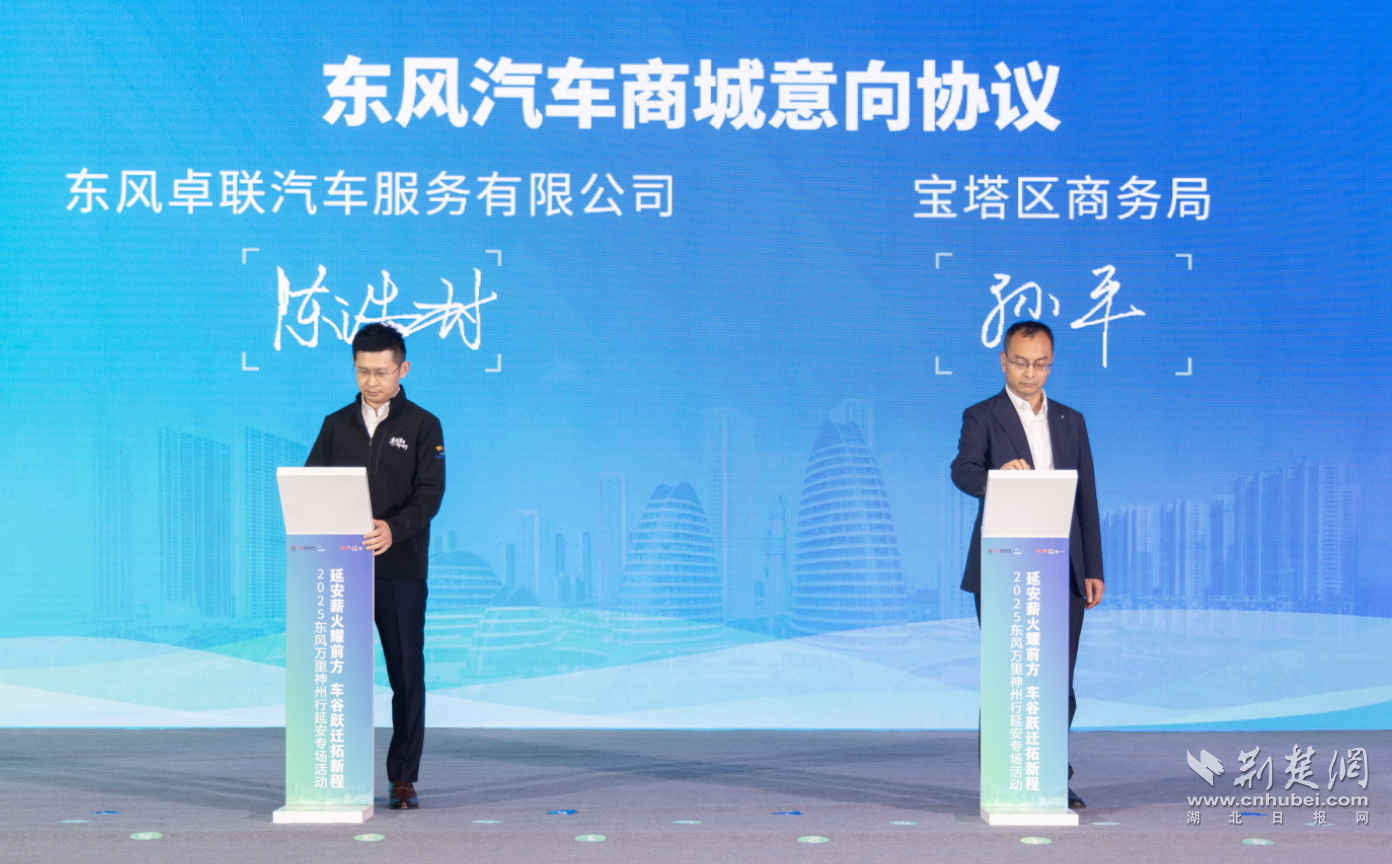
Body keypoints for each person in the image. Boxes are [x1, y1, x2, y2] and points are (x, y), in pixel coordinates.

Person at [950, 320, 1104, 810]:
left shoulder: (1071, 420)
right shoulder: (982, 415)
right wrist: (998, 476)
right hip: (1004, 567)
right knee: (1009, 677)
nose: (1030, 373)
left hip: (1064, 567)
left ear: (1051, 364)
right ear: (1003, 361)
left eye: (1040, 364)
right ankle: (1001, 779)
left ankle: (1052, 776)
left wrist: (1093, 567)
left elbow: (1086, 498)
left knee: (1058, 681)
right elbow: (962, 471)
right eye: (1020, 362)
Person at [305, 323, 445, 810]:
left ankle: (403, 778)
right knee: (336, 674)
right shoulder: (335, 424)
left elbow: (430, 494)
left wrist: (393, 528)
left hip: (400, 568)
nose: (372, 381)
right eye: (363, 371)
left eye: (382, 372)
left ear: (403, 369)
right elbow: (312, 485)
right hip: (340, 568)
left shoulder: (423, 425)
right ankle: (332, 776)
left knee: (405, 675)